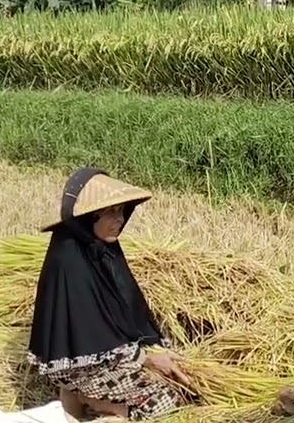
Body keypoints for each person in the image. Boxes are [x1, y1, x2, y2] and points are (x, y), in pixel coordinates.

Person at [27, 167, 191, 421]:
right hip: (83, 366)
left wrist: (155, 349)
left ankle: (85, 399)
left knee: (182, 377)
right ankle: (106, 405)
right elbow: (92, 334)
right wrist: (146, 359)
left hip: (106, 357)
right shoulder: (70, 260)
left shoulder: (100, 249)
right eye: (112, 212)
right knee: (171, 397)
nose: (120, 220)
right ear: (90, 216)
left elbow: (126, 313)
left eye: (122, 211)